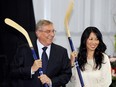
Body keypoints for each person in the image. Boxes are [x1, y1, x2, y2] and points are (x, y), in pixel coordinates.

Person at [10, 19, 72, 87]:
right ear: (38, 33)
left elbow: (67, 75)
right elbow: (13, 72)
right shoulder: (24, 50)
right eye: (48, 31)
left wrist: (51, 81)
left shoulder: (61, 52)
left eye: (53, 31)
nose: (52, 34)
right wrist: (31, 69)